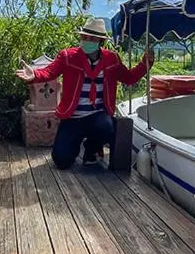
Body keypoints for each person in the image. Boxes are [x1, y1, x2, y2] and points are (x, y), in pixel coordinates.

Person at [16, 17, 153, 170]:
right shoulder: (68, 56)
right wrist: (34, 75)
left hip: (97, 115)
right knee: (61, 160)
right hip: (72, 117)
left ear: (99, 40)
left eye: (91, 38)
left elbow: (128, 78)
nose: (85, 40)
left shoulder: (111, 59)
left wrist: (144, 65)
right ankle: (73, 146)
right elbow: (49, 72)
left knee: (106, 127)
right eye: (83, 36)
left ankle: (91, 150)